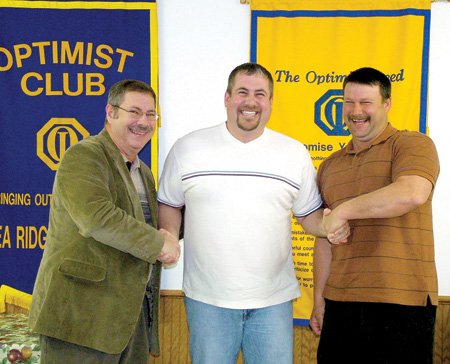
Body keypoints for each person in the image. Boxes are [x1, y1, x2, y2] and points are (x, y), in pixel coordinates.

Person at [157, 62, 348, 364]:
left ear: (271, 102)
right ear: (227, 98)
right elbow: (169, 202)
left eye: (260, 94)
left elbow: (310, 216)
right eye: (242, 92)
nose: (250, 101)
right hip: (208, 301)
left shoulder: (293, 153)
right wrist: (167, 235)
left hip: (272, 302)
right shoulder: (187, 149)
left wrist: (332, 226)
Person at [29, 80, 180, 363]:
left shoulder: (143, 171)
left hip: (127, 321)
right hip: (80, 319)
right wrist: (161, 244)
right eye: (134, 112)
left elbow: (149, 226)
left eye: (151, 114)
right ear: (110, 112)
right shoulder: (85, 155)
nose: (143, 122)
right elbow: (96, 218)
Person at [310, 67, 440, 363]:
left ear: (386, 104)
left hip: (402, 301)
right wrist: (319, 300)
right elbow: (324, 236)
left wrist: (343, 210)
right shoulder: (329, 166)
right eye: (348, 102)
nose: (356, 111)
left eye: (366, 102)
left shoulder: (412, 144)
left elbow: (411, 193)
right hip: (340, 302)